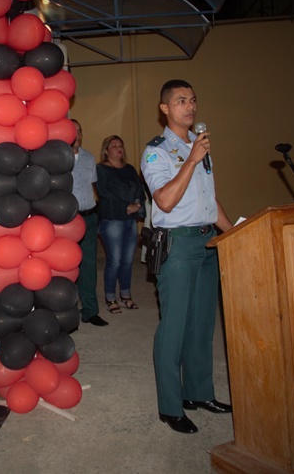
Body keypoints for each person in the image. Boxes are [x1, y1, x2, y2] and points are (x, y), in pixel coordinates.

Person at [141, 79, 233, 434]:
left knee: (202, 324)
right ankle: (170, 406)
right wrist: (191, 160)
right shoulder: (157, 152)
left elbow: (209, 199)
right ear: (165, 108)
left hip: (207, 243)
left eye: (193, 100)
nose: (190, 106)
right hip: (178, 246)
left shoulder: (200, 145)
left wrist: (233, 233)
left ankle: (199, 392)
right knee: (174, 327)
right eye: (181, 101)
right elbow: (164, 200)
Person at [95, 135, 145, 315]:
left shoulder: (129, 168)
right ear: (106, 150)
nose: (119, 148)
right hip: (112, 219)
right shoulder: (101, 169)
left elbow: (139, 188)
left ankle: (125, 295)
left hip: (130, 220)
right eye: (114, 145)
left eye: (121, 145)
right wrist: (126, 206)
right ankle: (110, 298)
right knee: (115, 261)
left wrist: (137, 204)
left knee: (128, 261)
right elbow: (105, 193)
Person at [70, 119, 108, 327]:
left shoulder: (89, 158)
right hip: (68, 221)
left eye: (80, 131)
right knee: (68, 266)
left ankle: (90, 311)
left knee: (89, 266)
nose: (78, 135)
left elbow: (92, 186)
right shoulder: (57, 159)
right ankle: (67, 314)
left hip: (89, 217)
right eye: (73, 131)